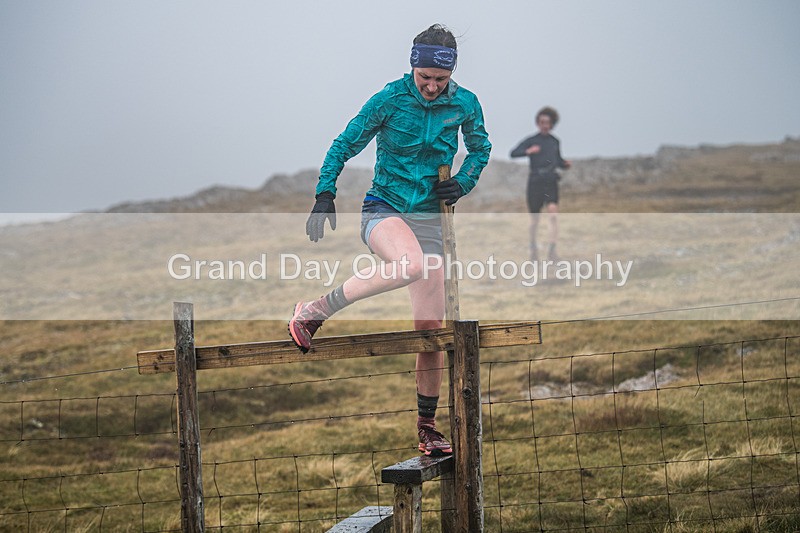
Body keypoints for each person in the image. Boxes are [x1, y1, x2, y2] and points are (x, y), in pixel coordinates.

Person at [288, 24, 491, 456]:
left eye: (441, 80)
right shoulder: (389, 100)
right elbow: (344, 144)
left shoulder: (466, 104)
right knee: (409, 265)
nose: (433, 87)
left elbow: (480, 148)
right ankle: (313, 311)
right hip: (385, 209)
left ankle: (428, 427)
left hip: (431, 220)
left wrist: (464, 181)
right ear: (412, 67)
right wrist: (325, 192)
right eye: (425, 79)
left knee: (430, 331)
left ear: (451, 74)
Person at [510, 106, 571, 261]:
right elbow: (513, 153)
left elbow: (557, 160)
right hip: (535, 182)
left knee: (553, 216)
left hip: (551, 181)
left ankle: (552, 251)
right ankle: (533, 250)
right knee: (535, 220)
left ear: (552, 124)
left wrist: (564, 164)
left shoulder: (555, 142)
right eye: (542, 122)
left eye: (547, 122)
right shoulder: (532, 140)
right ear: (538, 123)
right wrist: (528, 152)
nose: (544, 125)